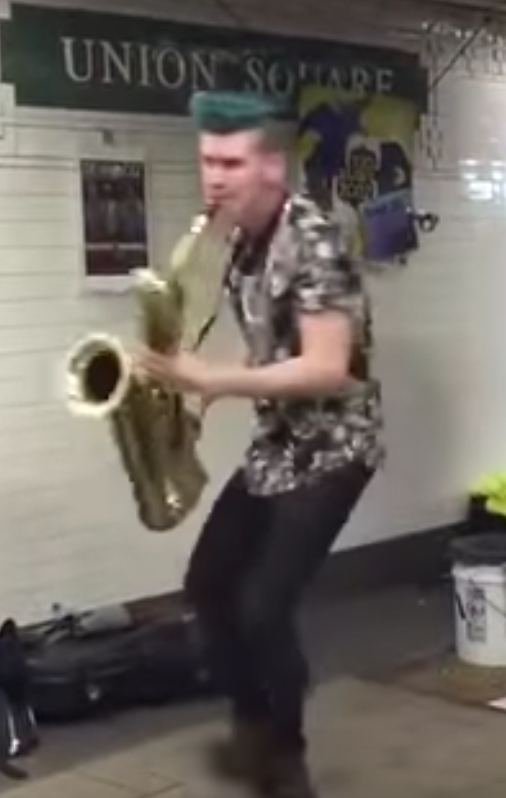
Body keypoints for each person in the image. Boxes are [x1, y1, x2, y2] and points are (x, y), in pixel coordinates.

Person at [139, 90, 383, 798]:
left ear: (273, 166)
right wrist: (215, 389)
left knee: (263, 607)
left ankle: (286, 758)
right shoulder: (244, 241)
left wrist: (209, 373)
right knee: (208, 586)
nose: (215, 178)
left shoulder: (316, 240)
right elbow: (278, 350)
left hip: (338, 448)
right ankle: (255, 727)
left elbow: (328, 364)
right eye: (208, 162)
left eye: (231, 162)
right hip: (280, 444)